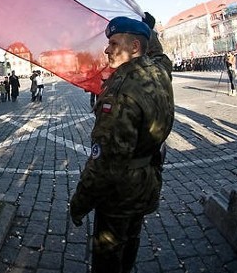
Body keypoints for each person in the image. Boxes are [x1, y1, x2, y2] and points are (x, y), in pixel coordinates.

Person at [69, 15, 174, 273]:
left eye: (114, 43)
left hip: (119, 191)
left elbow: (106, 162)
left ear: (135, 48)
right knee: (131, 239)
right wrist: (151, 31)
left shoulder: (121, 92)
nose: (107, 49)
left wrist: (80, 202)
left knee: (109, 254)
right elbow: (161, 57)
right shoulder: (158, 72)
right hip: (145, 182)